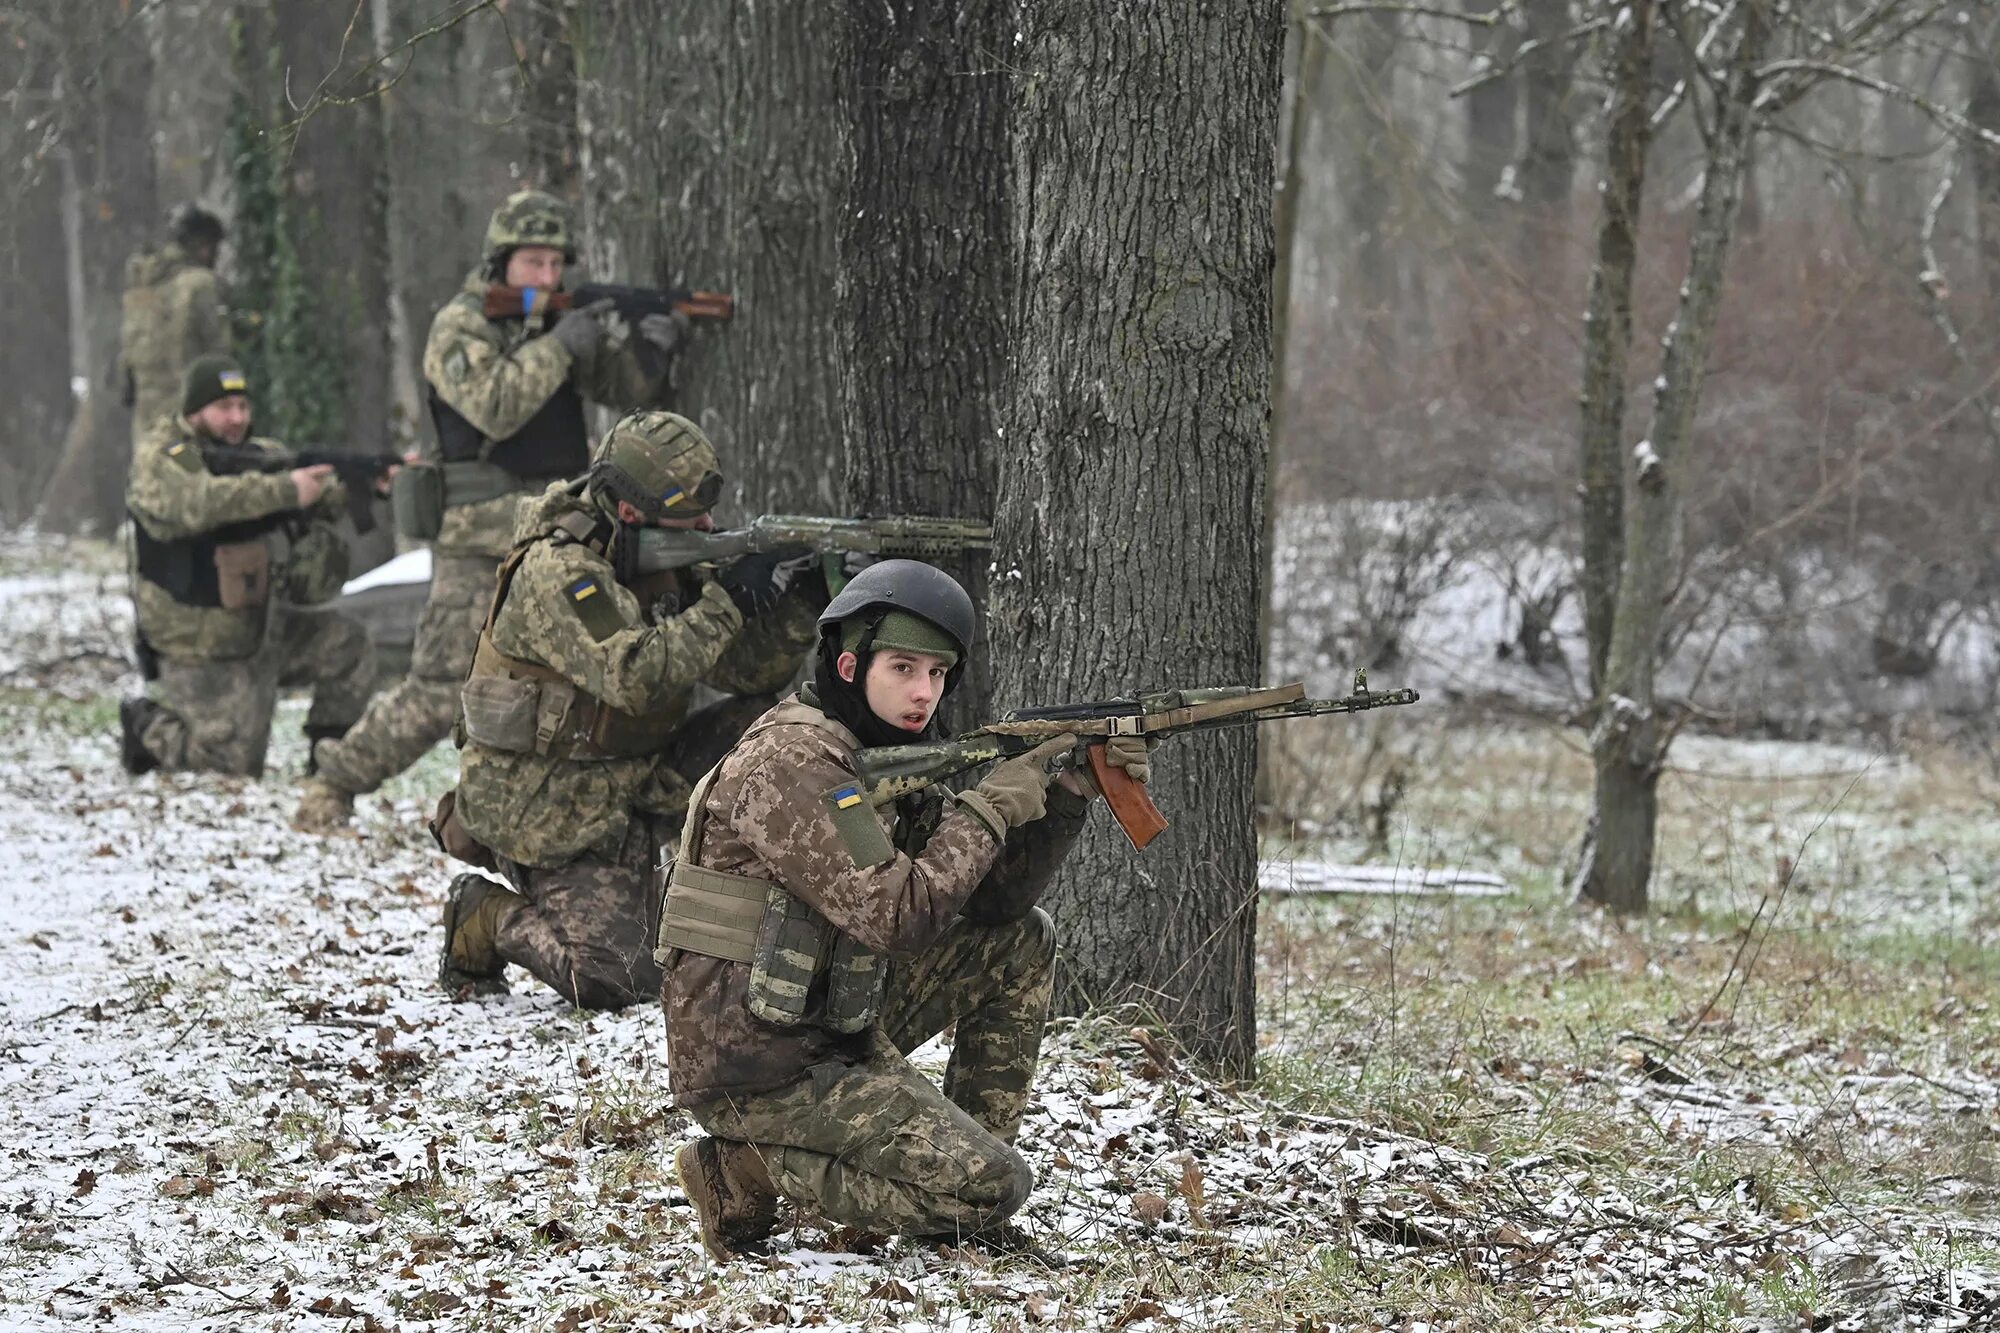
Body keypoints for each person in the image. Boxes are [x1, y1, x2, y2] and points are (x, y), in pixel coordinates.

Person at [656, 559, 1152, 1259]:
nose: (925, 692)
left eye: (939, 674)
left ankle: (964, 1186)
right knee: (994, 1184)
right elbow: (900, 916)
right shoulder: (794, 763)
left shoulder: (877, 753)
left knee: (1020, 941)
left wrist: (1065, 794)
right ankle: (741, 1166)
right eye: (904, 667)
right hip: (758, 1062)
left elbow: (994, 903)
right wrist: (987, 807)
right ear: (852, 663)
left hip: (825, 1016)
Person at [292, 189, 690, 832]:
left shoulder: (548, 323)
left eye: (557, 264)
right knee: (440, 685)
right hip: (479, 539)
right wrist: (562, 343)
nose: (547, 276)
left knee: (588, 675)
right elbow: (495, 406)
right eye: (533, 262)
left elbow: (622, 389)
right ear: (500, 262)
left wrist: (650, 347)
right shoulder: (463, 325)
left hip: (559, 533)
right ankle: (334, 782)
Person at [433, 409, 820, 1011]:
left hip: (630, 779)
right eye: (691, 518)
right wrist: (729, 602)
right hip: (547, 811)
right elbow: (635, 677)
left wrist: (799, 607)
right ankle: (480, 913)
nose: (709, 526)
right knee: (614, 978)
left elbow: (741, 673)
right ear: (633, 512)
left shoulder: (649, 552)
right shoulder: (557, 571)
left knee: (767, 726)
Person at [119, 355, 375, 778]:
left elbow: (308, 486)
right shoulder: (160, 457)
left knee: (349, 647)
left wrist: (364, 483)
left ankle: (326, 770)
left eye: (243, 407)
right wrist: (285, 490)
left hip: (262, 628)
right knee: (232, 767)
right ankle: (146, 725)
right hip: (198, 644)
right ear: (194, 411)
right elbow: (197, 503)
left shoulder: (257, 455)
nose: (237, 418)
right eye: (223, 408)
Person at [117, 205, 230, 454]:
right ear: (204, 247)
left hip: (147, 435)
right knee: (197, 486)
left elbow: (126, 379)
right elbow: (223, 356)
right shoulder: (201, 286)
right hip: (191, 429)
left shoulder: (139, 291)